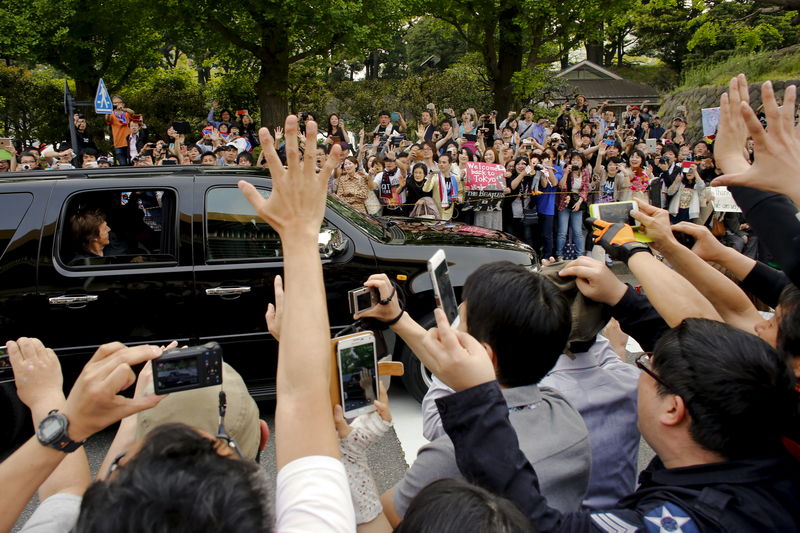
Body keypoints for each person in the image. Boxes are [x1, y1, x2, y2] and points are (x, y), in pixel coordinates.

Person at [422, 307, 800, 532]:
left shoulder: (686, 521)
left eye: (646, 368)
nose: (638, 375)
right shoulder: (769, 455)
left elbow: (541, 526)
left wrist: (476, 396)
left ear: (674, 409)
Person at [355, 263, 592, 526]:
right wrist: (398, 318)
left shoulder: (452, 456)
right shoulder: (562, 410)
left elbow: (379, 522)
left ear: (484, 355)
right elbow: (469, 371)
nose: (451, 331)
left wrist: (353, 456)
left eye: (459, 321)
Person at [555, 152, 589, 260]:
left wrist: (579, 202)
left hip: (577, 203)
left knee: (578, 231)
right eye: (574, 159)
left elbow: (585, 189)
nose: (575, 162)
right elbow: (561, 187)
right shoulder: (566, 171)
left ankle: (580, 255)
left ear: (582, 162)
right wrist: (566, 173)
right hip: (564, 204)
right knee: (562, 232)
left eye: (578, 160)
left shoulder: (585, 172)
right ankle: (559, 254)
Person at [106, 96, 135, 166]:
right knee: (123, 165)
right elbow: (107, 118)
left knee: (132, 163)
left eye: (118, 102)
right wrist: (109, 110)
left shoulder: (126, 113)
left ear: (123, 104)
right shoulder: (112, 114)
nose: (116, 104)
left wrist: (124, 109)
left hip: (129, 142)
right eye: (114, 103)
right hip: (118, 143)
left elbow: (133, 113)